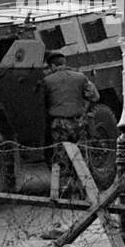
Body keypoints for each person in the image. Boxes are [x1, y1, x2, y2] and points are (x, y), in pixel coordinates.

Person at [43, 51, 99, 193]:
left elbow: (41, 103)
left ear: (53, 65)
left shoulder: (47, 81)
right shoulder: (80, 77)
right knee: (81, 156)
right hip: (79, 122)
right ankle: (85, 188)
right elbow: (94, 97)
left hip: (59, 124)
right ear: (64, 62)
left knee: (60, 156)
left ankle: (61, 189)